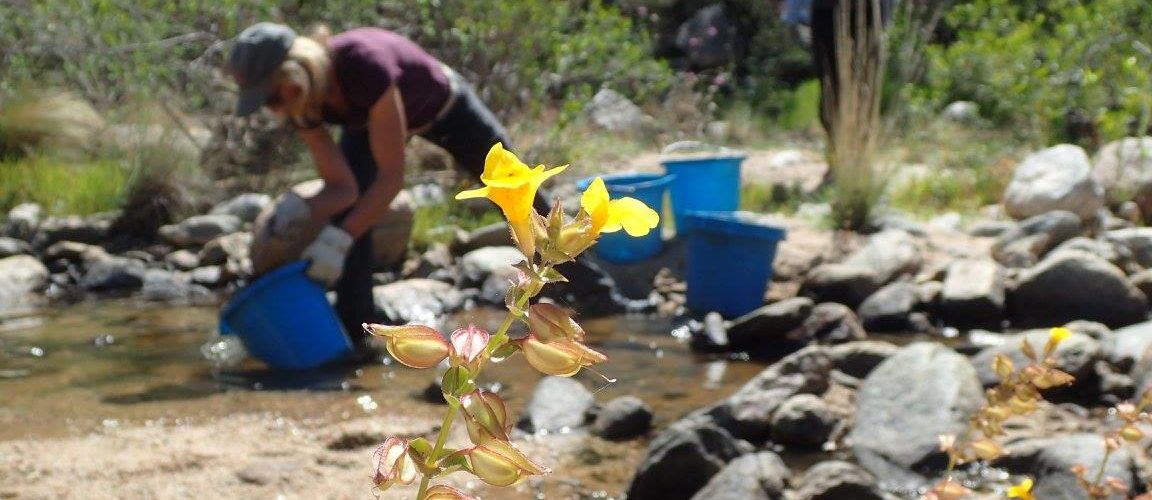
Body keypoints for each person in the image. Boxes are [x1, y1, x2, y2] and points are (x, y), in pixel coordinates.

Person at [226, 23, 614, 354]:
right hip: (374, 121)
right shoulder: (302, 103)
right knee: (353, 213)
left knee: (516, 194)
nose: (275, 108)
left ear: (300, 69)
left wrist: (339, 239)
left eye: (275, 95)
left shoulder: (363, 64)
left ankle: (599, 297)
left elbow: (391, 179)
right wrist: (309, 225)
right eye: (267, 102)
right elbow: (342, 190)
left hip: (446, 107)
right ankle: (358, 328)